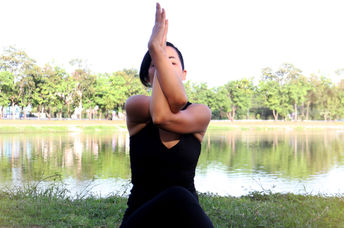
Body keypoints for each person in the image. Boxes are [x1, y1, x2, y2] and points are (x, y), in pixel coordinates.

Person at [120, 3, 213, 228]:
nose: (164, 67)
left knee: (180, 197)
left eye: (172, 62)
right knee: (177, 195)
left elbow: (172, 109)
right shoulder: (136, 105)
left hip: (185, 220)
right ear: (147, 77)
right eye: (155, 63)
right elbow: (160, 116)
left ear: (183, 73)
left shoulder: (200, 112)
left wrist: (157, 49)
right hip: (140, 219)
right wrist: (157, 51)